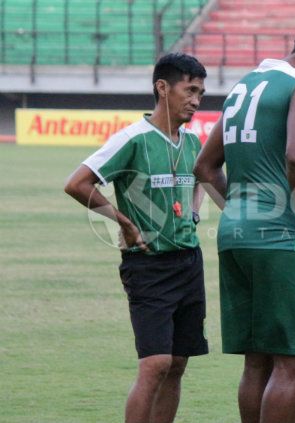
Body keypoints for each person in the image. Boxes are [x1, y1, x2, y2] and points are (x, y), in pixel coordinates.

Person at [192, 18, 295, 423]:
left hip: (235, 235)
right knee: (294, 363)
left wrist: (241, 211)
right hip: (281, 241)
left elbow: (205, 166)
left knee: (257, 362)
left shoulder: (244, 84)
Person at [63, 53, 208, 423]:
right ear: (162, 88)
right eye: (189, 90)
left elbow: (202, 177)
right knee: (155, 364)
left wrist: (193, 210)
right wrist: (122, 221)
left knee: (177, 363)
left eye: (201, 93)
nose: (196, 99)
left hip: (190, 262)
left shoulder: (192, 144)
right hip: (149, 265)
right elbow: (77, 184)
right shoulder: (132, 139)